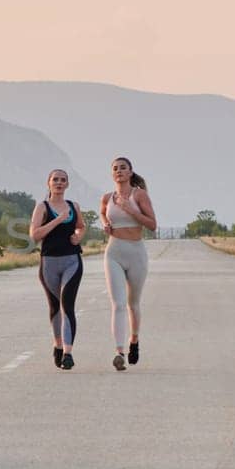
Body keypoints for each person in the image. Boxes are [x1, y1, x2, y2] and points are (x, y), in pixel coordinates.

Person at [99, 157, 157, 371]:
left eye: (123, 168)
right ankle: (119, 352)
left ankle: (134, 340)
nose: (119, 171)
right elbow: (103, 213)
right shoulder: (107, 197)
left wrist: (129, 209)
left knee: (133, 303)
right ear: (111, 174)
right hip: (114, 252)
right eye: (115, 168)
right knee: (118, 304)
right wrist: (105, 224)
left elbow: (152, 224)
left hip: (136, 252)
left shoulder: (139, 195)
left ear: (131, 172)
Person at [29, 169, 86, 370]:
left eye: (63, 180)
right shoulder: (42, 207)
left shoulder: (73, 206)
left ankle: (68, 353)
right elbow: (35, 235)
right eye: (55, 180)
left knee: (67, 304)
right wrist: (57, 220)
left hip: (72, 261)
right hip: (49, 263)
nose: (59, 183)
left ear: (67, 184)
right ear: (49, 183)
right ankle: (58, 345)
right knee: (55, 307)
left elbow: (81, 226)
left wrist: (78, 235)